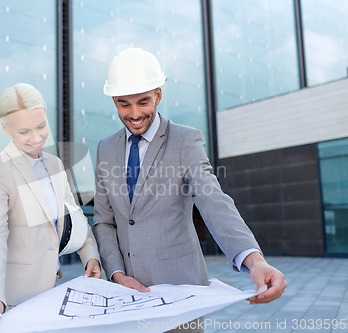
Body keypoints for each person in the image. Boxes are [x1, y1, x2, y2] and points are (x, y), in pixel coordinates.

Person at [92, 47, 286, 332]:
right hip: (126, 296)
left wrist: (254, 260)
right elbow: (104, 221)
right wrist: (118, 274)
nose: (134, 114)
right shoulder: (105, 148)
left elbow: (213, 201)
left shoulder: (185, 140)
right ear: (114, 101)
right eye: (124, 104)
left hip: (180, 294)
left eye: (143, 102)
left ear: (158, 95)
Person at [0, 83, 102, 332]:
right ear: (6, 128)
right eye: (24, 131)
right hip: (12, 300)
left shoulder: (54, 164)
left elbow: (74, 216)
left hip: (51, 294)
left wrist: (91, 256)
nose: (36, 138)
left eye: (41, 126)